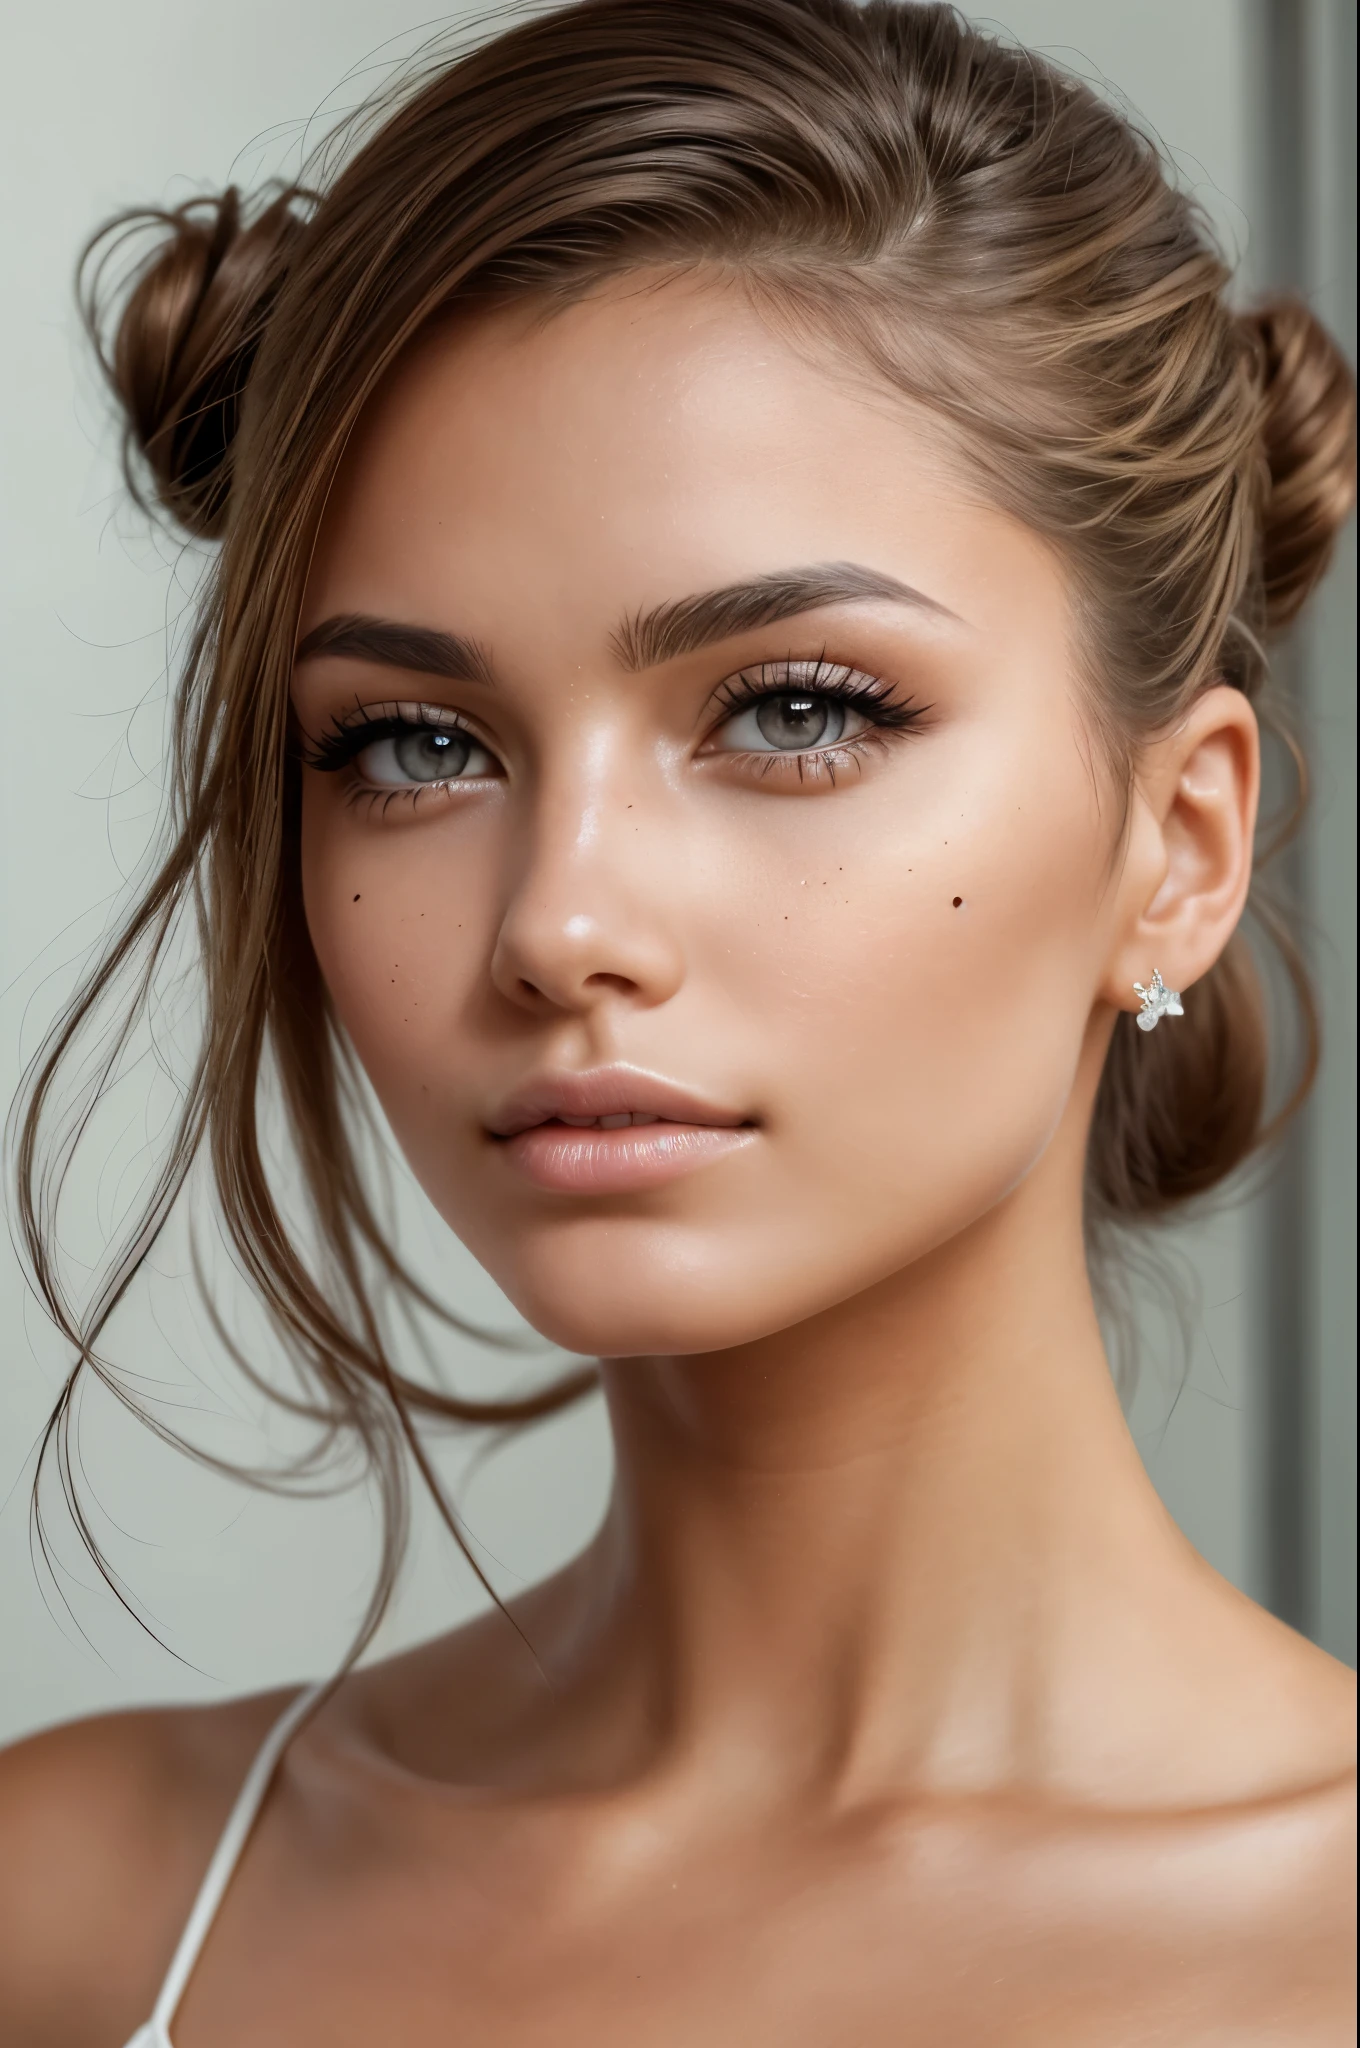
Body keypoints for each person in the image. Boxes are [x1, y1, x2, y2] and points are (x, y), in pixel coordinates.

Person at [2, 2, 1355, 2041]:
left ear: (1174, 843)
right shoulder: (80, 1904)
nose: (556, 922)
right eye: (413, 743)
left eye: (796, 710)